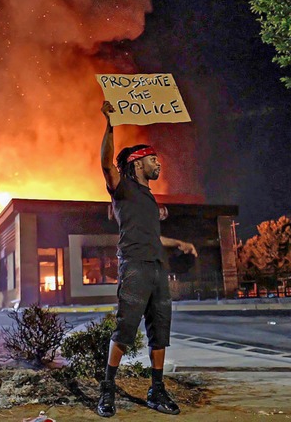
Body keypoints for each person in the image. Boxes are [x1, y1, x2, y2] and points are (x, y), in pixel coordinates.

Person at [97, 101, 197, 417]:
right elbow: (105, 165)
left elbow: (152, 237)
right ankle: (107, 390)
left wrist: (177, 243)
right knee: (125, 330)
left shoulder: (151, 200)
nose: (159, 165)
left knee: (160, 333)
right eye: (154, 160)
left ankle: (156, 390)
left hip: (157, 268)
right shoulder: (122, 189)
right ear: (138, 162)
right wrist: (110, 123)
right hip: (134, 267)